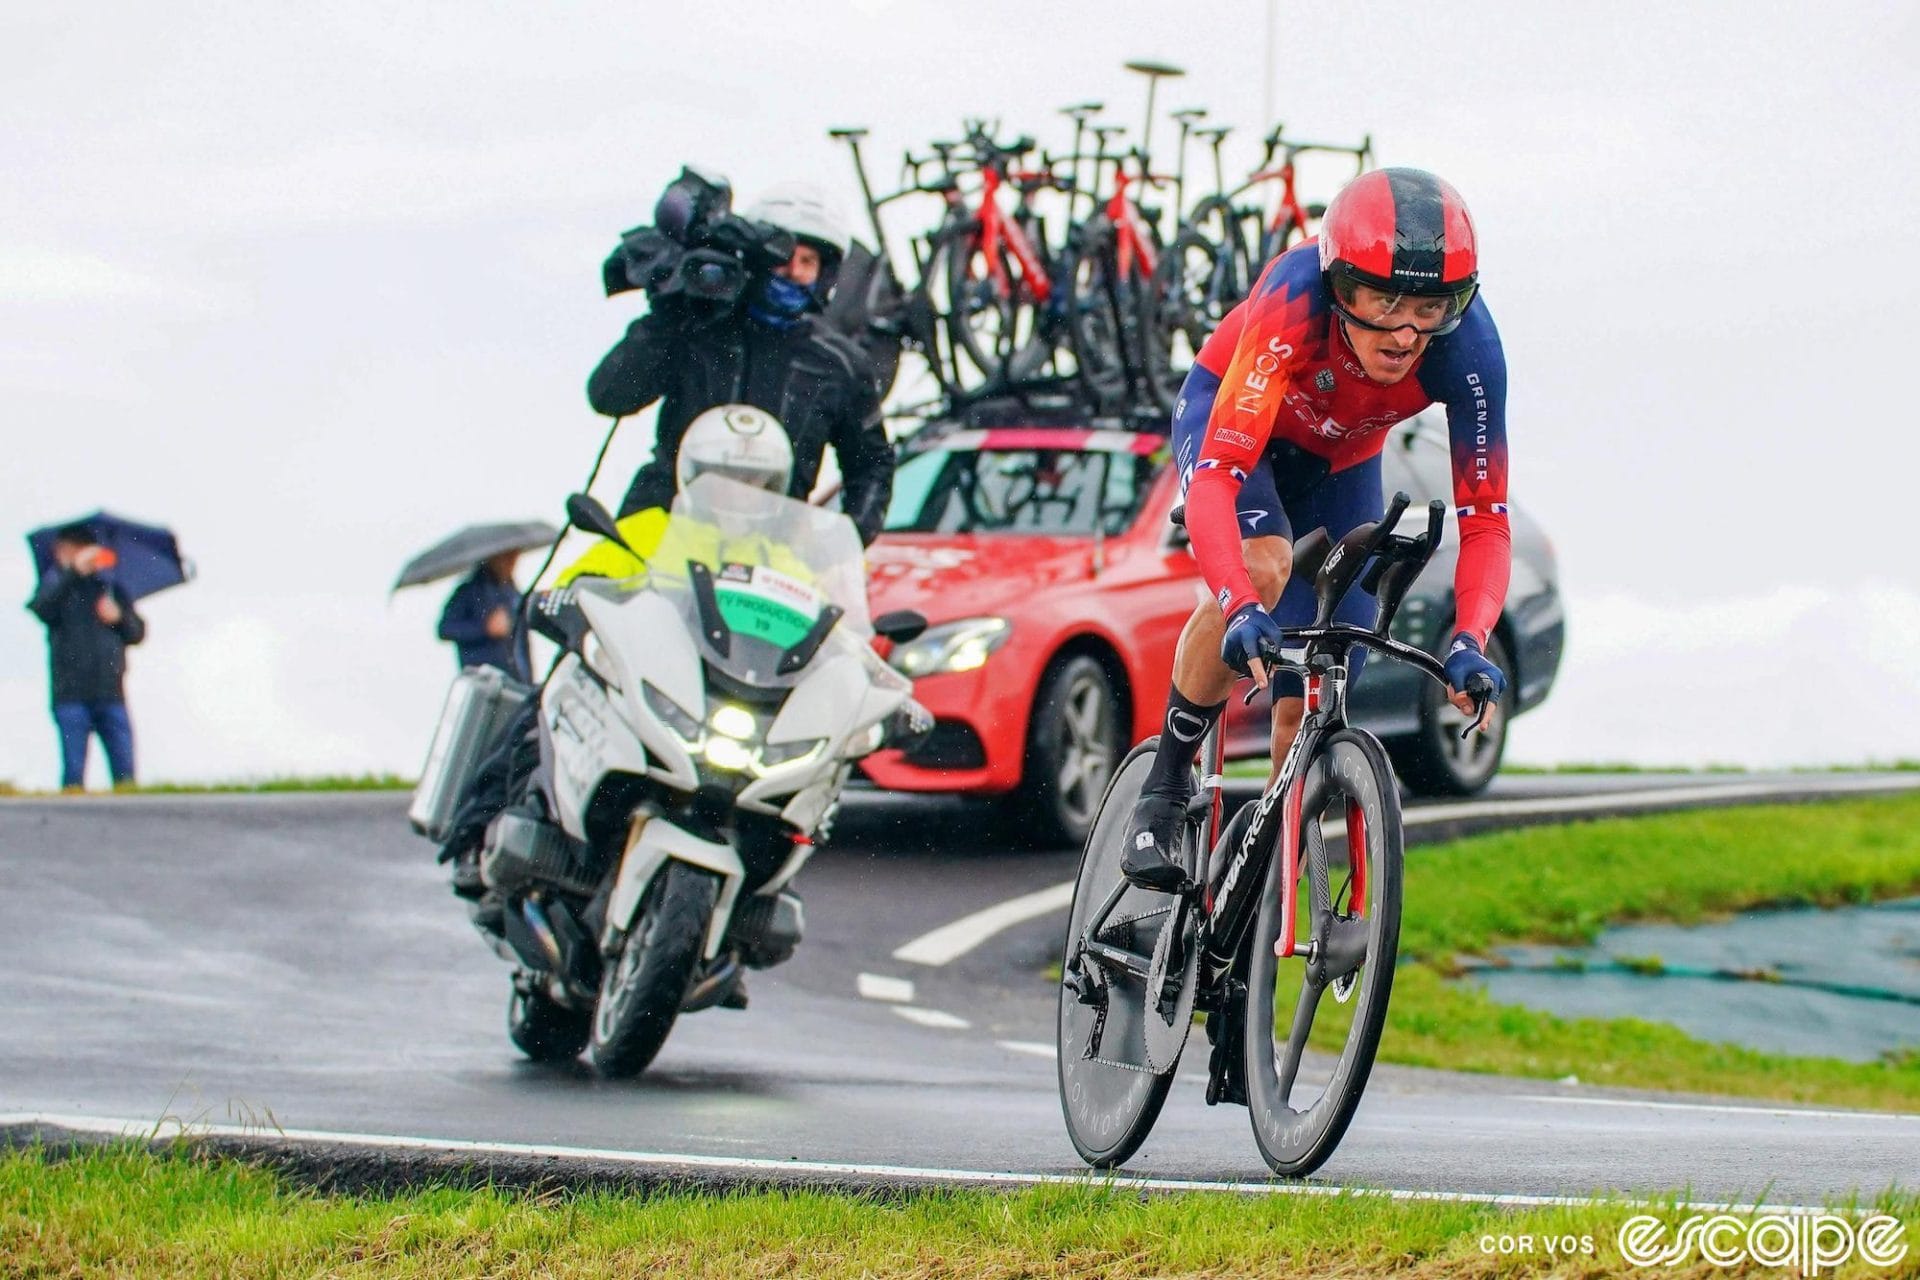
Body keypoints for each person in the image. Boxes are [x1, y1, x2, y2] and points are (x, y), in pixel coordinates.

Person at [1122, 168, 1513, 890]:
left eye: (1429, 308)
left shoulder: (1469, 350)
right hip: (1239, 429)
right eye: (1384, 300)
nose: (1404, 332)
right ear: (1340, 285)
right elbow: (1216, 477)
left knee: (1324, 678)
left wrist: (1469, 639)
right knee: (1264, 565)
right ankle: (1167, 784)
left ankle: (1256, 893)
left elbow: (1486, 518)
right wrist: (1240, 603)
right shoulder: (1296, 297)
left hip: (1342, 463)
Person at [586, 181, 895, 544]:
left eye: (808, 261)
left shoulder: (841, 364)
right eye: (783, 256)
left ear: (825, 273)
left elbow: (872, 464)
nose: (794, 271)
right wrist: (668, 311)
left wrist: (845, 542)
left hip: (771, 553)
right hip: (663, 530)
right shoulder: (697, 326)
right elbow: (609, 396)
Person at [27, 524, 146, 791]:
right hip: (70, 693)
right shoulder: (55, 585)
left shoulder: (111, 588)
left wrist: (119, 618)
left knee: (125, 772)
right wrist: (72, 574)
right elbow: (41, 609)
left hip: (110, 692)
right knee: (73, 773)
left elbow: (137, 632)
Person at [436, 550, 523, 673]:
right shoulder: (468, 590)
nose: (512, 563)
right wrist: (485, 628)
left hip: (514, 675)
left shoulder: (510, 588)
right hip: (482, 675)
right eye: (507, 557)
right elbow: (445, 629)